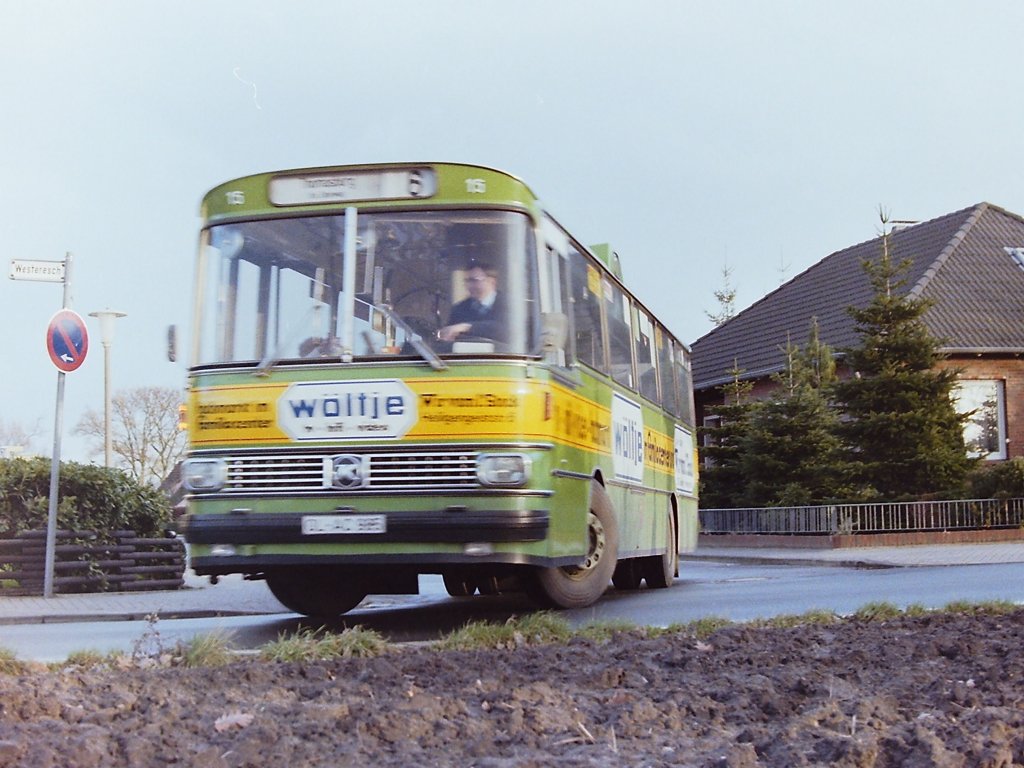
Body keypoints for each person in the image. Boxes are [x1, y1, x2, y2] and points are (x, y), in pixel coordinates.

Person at [438, 262, 506, 342]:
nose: (469, 285)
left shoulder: (510, 304)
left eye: (474, 280)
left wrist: (466, 327)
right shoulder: (459, 309)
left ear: (491, 281)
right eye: (466, 281)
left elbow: (507, 329)